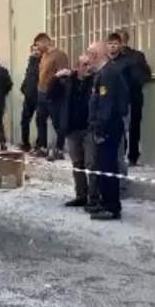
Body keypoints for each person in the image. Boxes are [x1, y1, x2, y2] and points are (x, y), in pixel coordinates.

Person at [86, 41, 129, 220]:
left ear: (96, 55)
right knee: (103, 167)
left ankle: (112, 207)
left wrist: (100, 129)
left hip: (109, 127)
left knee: (108, 166)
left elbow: (106, 104)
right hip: (107, 125)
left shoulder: (108, 74)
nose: (87, 59)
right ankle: (104, 202)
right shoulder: (105, 72)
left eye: (89, 55)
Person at [50, 55, 98, 208]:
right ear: (77, 67)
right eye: (84, 64)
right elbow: (50, 93)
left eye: (90, 64)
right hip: (72, 128)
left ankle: (94, 198)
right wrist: (56, 77)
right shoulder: (68, 81)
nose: (88, 67)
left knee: (92, 164)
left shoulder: (96, 80)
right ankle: (81, 195)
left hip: (90, 128)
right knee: (77, 163)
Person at [116, 29, 152, 166]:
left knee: (133, 127)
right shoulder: (112, 58)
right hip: (118, 98)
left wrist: (135, 82)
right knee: (119, 128)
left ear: (124, 41)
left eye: (117, 41)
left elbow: (146, 74)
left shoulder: (136, 56)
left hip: (133, 96)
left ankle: (132, 157)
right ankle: (121, 156)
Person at [34, 33, 70, 160]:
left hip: (54, 94)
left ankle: (59, 149)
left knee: (57, 122)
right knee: (40, 120)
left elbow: (64, 73)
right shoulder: (44, 56)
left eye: (39, 45)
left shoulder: (59, 55)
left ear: (46, 42)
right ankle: (43, 147)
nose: (37, 48)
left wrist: (55, 85)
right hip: (41, 93)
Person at [19, 44, 42, 152]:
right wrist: (24, 88)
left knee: (40, 121)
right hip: (29, 96)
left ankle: (39, 144)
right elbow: (28, 77)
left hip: (39, 96)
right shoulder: (31, 62)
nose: (35, 52)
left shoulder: (42, 62)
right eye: (33, 50)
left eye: (37, 50)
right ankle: (25, 143)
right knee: (24, 121)